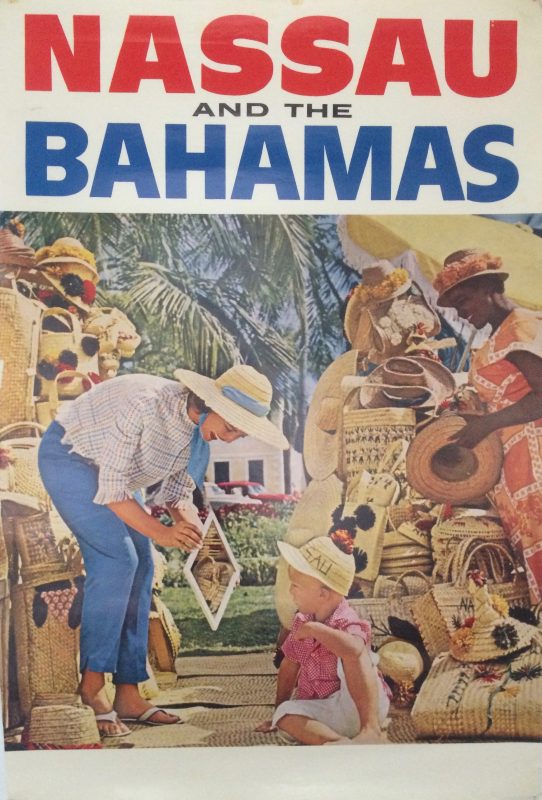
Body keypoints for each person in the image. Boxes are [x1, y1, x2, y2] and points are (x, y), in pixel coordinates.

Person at [38, 364, 288, 738]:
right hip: (70, 457)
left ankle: (128, 692)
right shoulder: (145, 405)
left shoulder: (200, 438)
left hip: (118, 476)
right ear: (210, 403)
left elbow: (175, 496)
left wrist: (193, 534)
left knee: (143, 568)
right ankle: (90, 689)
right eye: (233, 427)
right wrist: (162, 533)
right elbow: (112, 490)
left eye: (242, 432)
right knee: (119, 559)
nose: (234, 438)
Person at [434, 249, 542, 603]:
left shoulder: (521, 327)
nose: (461, 313)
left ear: (489, 286)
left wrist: (488, 423)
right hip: (516, 467)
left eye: (463, 300)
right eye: (454, 308)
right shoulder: (494, 338)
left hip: (535, 458)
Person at [255, 536, 390, 745]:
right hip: (325, 710)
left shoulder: (345, 620)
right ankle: (337, 742)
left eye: (296, 586)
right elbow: (289, 666)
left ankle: (371, 730)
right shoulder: (303, 621)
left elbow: (355, 650)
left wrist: (317, 631)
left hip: (358, 705)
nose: (291, 591)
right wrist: (277, 711)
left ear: (323, 594)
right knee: (285, 716)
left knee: (355, 652)